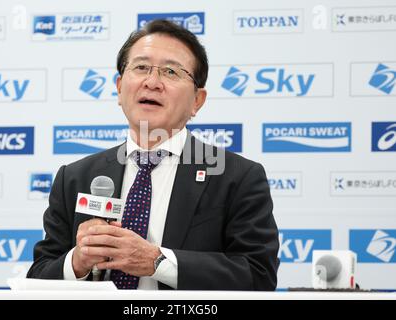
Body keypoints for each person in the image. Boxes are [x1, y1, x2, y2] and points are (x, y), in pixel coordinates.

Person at [27, 19, 279, 290]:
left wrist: (158, 261)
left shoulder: (237, 177)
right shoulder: (75, 177)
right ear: (120, 87)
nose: (152, 82)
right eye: (141, 67)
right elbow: (39, 275)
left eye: (171, 72)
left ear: (197, 100)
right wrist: (77, 262)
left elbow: (258, 275)